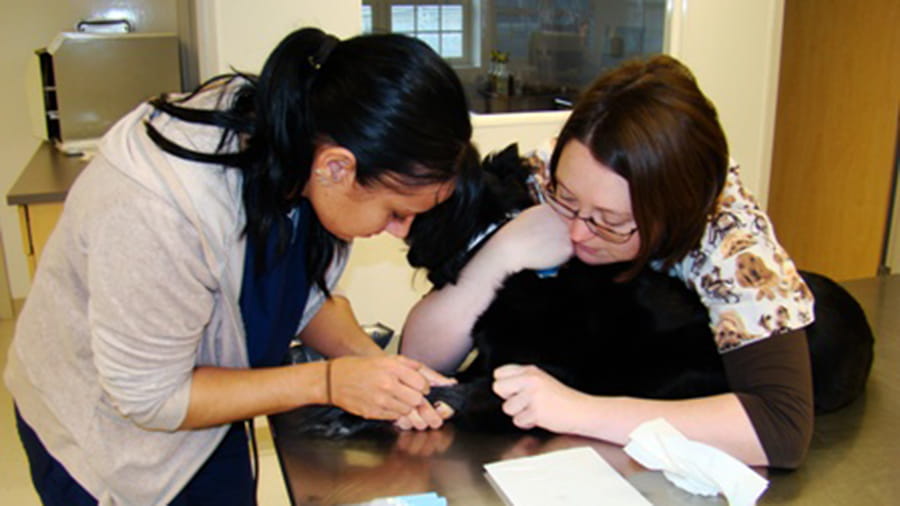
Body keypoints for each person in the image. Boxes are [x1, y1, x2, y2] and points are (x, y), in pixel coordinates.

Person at [5, 27, 476, 505]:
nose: (401, 230)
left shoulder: (307, 155)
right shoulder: (155, 209)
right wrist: (328, 382)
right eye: (396, 211)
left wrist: (373, 367)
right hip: (107, 432)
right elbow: (151, 397)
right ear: (337, 167)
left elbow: (300, 298)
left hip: (205, 397)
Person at [401, 55, 815, 469]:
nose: (578, 233)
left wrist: (577, 411)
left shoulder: (734, 248)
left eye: (611, 221)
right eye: (567, 200)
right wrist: (503, 253)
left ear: (673, 214)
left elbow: (781, 430)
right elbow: (421, 358)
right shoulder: (571, 171)